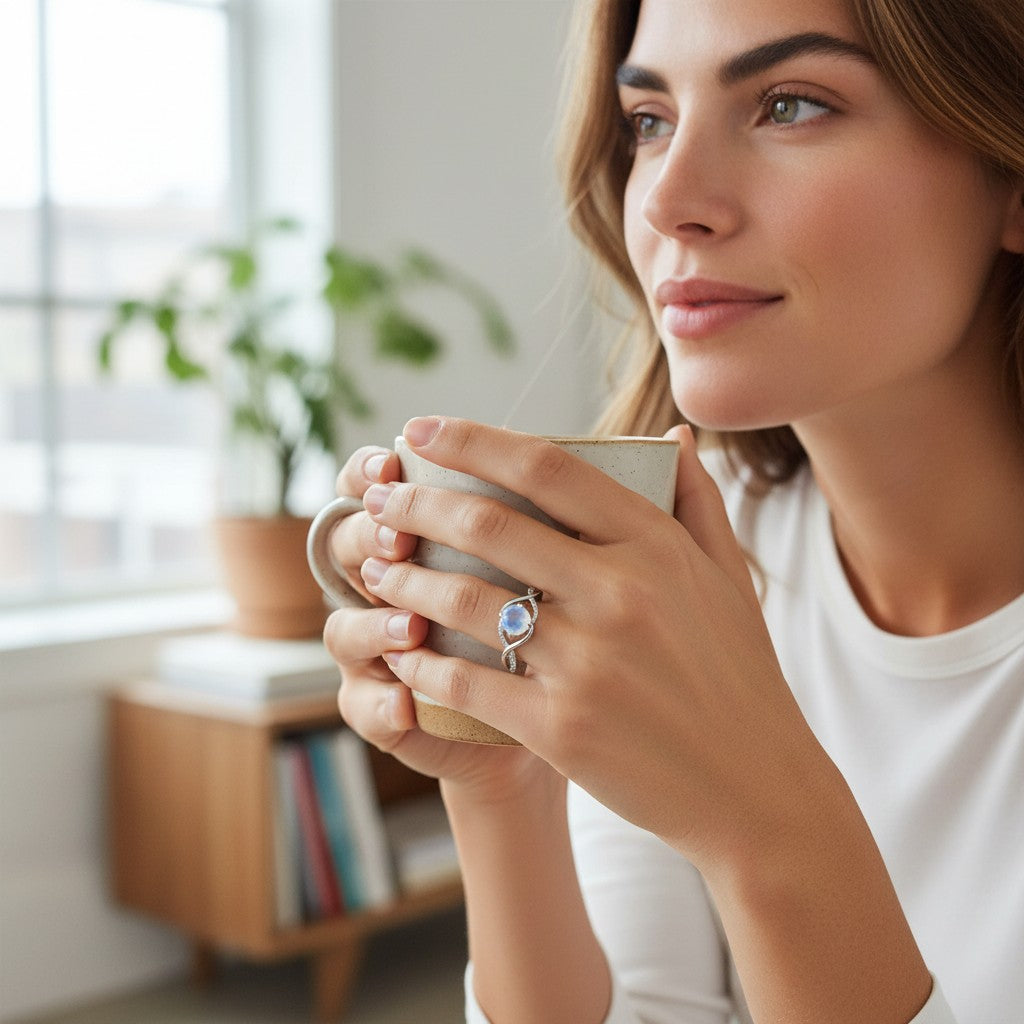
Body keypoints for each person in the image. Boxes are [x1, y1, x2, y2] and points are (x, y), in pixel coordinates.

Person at [321, 0, 1024, 1020]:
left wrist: (765, 825)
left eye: (790, 104)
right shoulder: (684, 549)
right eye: (649, 121)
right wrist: (501, 785)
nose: (666, 202)